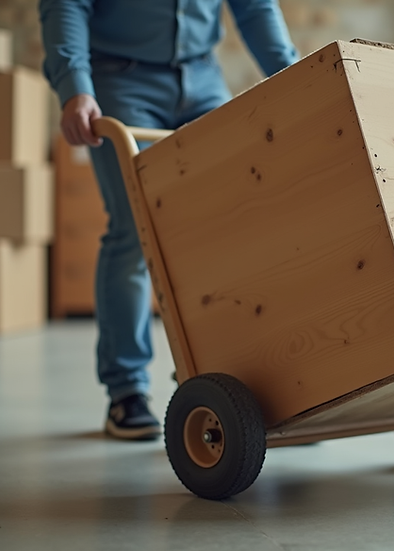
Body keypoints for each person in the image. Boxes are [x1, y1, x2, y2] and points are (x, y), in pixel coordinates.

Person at [39, 0, 299, 440]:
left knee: (227, 229)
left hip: (201, 79)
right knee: (134, 230)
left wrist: (292, 75)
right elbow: (67, 5)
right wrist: (74, 86)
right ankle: (127, 391)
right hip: (120, 81)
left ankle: (217, 378)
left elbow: (255, 8)